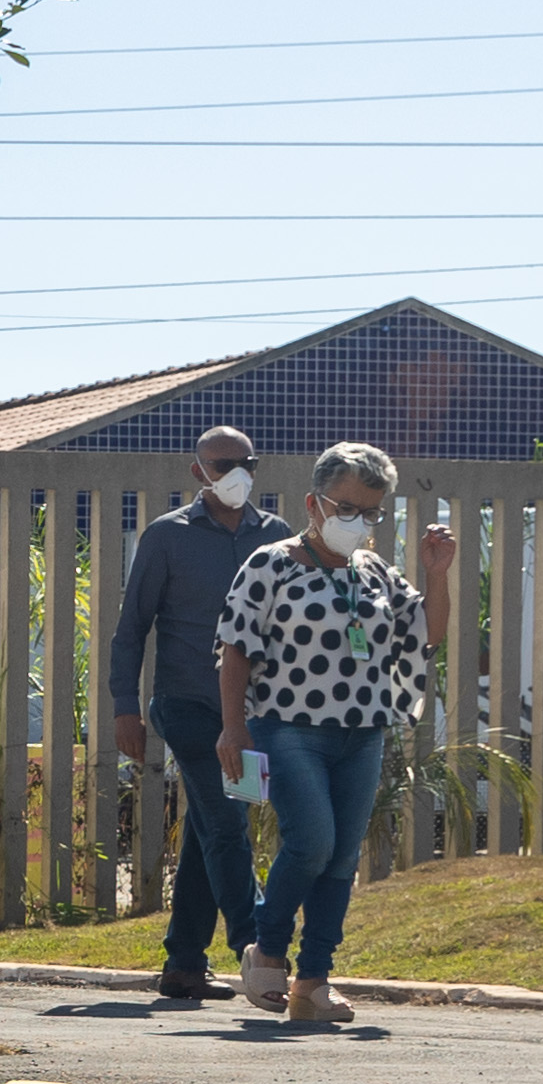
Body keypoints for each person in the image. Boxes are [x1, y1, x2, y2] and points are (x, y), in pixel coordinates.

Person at [215, 440, 442, 1031]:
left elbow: (425, 631)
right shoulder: (272, 561)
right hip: (287, 727)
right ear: (314, 502)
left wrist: (437, 574)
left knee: (341, 857)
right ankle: (266, 950)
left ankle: (313, 980)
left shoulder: (374, 572)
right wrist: (232, 727)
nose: (357, 522)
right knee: (311, 841)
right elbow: (235, 648)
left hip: (362, 731)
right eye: (346, 508)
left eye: (369, 512)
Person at [105, 426, 283, 1006]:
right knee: (228, 824)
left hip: (250, 714)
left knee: (212, 828)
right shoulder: (166, 536)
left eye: (245, 462)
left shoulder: (277, 538)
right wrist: (125, 708)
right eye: (221, 464)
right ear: (197, 471)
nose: (235, 472)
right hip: (185, 706)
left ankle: (183, 963)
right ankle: (259, 948)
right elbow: (132, 629)